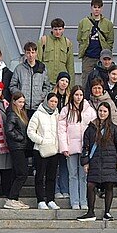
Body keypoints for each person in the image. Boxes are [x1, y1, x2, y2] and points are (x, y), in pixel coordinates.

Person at [78, 102, 117, 221]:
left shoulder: (114, 128)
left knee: (109, 186)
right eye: (100, 111)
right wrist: (85, 162)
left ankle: (107, 212)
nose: (102, 113)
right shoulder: (91, 128)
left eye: (105, 111)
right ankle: (90, 212)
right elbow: (86, 147)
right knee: (90, 185)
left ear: (109, 113)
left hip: (110, 161)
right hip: (94, 162)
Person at [57, 85, 97, 211]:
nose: (78, 97)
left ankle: (83, 200)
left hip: (85, 148)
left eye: (80, 95)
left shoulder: (89, 110)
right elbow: (61, 130)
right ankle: (74, 201)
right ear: (72, 95)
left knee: (83, 176)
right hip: (71, 147)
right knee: (73, 175)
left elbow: (94, 129)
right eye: (76, 95)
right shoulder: (66, 110)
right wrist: (64, 147)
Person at [26, 92, 62, 210]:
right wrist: (41, 141)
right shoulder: (38, 114)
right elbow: (30, 131)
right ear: (46, 101)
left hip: (54, 150)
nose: (53, 104)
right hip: (40, 150)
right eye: (51, 101)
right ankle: (41, 200)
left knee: (52, 176)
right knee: (40, 176)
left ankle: (51, 199)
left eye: (55, 102)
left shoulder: (58, 115)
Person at [3, 92, 32, 209]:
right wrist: (21, 138)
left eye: (23, 102)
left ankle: (14, 198)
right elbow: (9, 130)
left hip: (21, 146)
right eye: (19, 102)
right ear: (14, 101)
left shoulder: (21, 113)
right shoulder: (12, 114)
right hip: (16, 147)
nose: (21, 104)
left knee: (18, 173)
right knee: (22, 173)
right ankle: (11, 198)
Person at [47, 71, 73, 200]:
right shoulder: (51, 96)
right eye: (62, 80)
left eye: (67, 81)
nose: (64, 83)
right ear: (58, 81)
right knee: (54, 163)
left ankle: (64, 188)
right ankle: (56, 189)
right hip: (52, 134)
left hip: (65, 135)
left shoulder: (70, 98)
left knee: (64, 163)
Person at [78, 0, 115, 76]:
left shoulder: (108, 23)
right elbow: (80, 39)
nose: (97, 9)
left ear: (102, 8)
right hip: (88, 56)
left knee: (103, 79)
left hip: (102, 57)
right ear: (91, 8)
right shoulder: (83, 22)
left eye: (99, 7)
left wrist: (107, 53)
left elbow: (110, 40)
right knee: (86, 79)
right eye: (95, 7)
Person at [12, 42, 49, 110]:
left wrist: (41, 96)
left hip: (38, 107)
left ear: (36, 53)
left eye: (32, 52)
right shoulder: (19, 68)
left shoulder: (42, 68)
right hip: (23, 106)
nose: (30, 55)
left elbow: (47, 86)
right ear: (25, 53)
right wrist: (19, 95)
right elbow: (12, 86)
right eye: (28, 52)